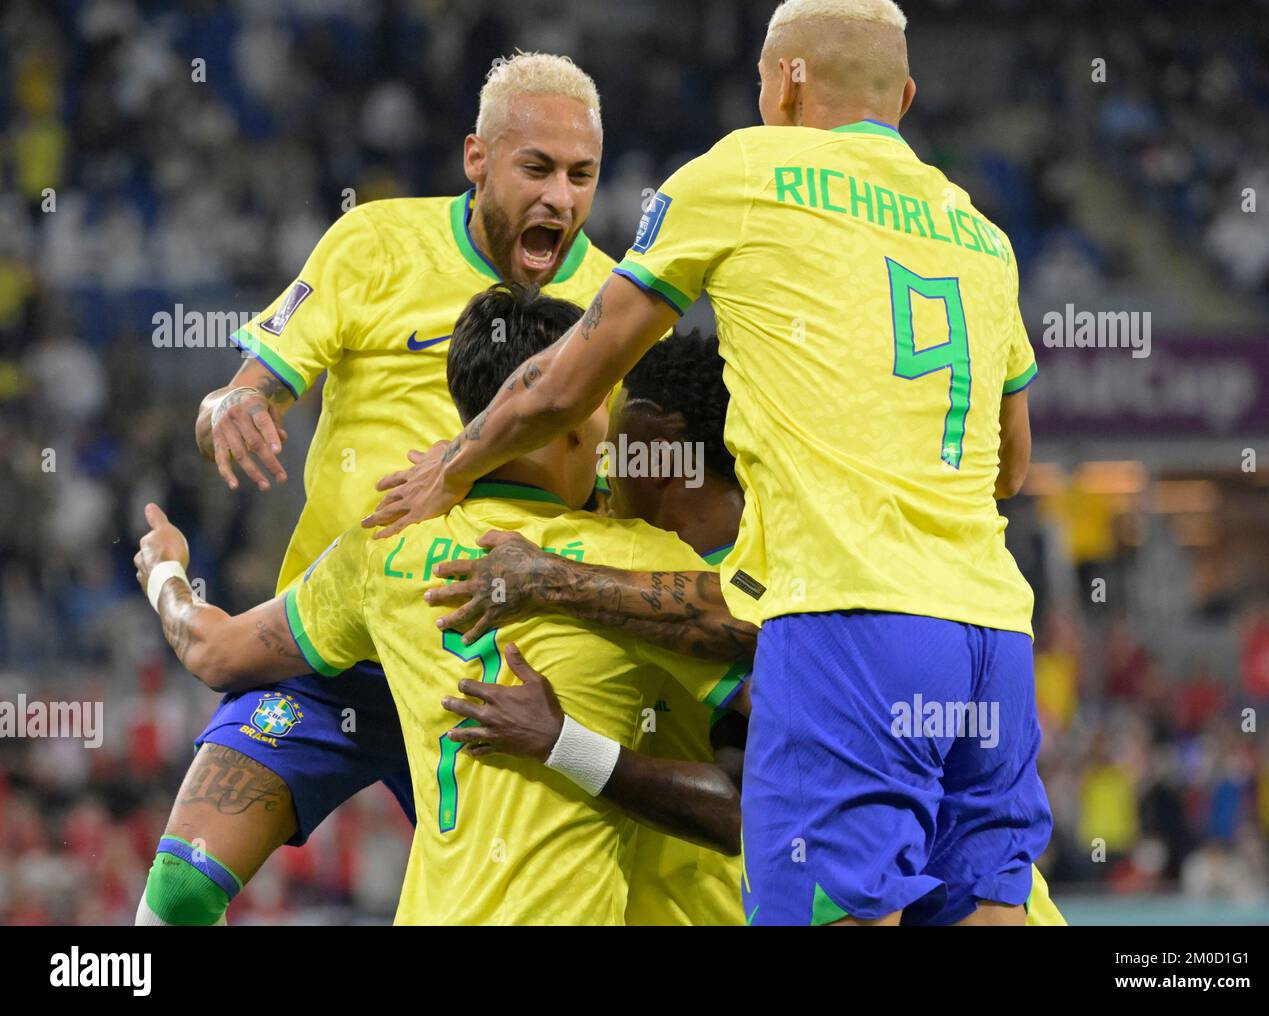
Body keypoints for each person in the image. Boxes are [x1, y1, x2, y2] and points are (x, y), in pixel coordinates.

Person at [361, 0, 1052, 926]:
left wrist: (456, 460)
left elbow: (570, 381)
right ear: (907, 95)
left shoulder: (742, 174)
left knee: (837, 910)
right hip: (992, 634)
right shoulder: (980, 234)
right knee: (989, 911)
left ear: (786, 81)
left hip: (849, 617)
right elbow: (1011, 466)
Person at [138, 52, 620, 926]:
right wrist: (235, 404)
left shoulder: (614, 302)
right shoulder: (374, 244)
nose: (562, 198)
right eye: (537, 169)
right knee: (177, 889)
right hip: (330, 638)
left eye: (582, 175)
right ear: (477, 159)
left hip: (486, 669)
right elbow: (247, 388)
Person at [135, 285, 748, 924]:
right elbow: (766, 649)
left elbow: (214, 650)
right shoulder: (641, 557)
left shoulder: (384, 549)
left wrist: (165, 572)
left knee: (180, 892)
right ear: (563, 414)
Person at [430, 329, 1065, 926]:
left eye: (617, 442)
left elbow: (742, 806)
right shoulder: (771, 545)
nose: (602, 463)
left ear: (660, 443)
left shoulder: (763, 578)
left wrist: (563, 742)